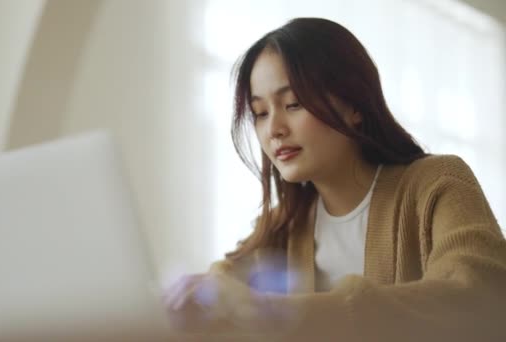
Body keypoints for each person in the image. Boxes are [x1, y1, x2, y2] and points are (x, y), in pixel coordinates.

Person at [162, 17, 506, 341]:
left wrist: (271, 311)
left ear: (355, 105)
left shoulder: (437, 183)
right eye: (260, 113)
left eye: (293, 104)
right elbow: (223, 282)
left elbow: (478, 299)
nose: (274, 129)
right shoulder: (287, 222)